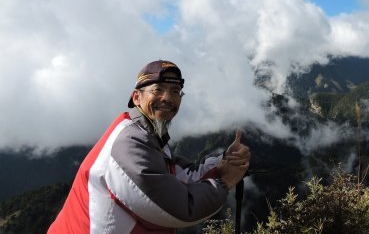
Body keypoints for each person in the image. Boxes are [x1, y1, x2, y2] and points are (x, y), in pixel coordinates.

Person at [48, 60, 250, 234]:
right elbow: (181, 209)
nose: (167, 98)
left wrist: (224, 161)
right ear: (137, 97)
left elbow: (184, 175)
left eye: (175, 91)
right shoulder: (129, 144)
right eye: (157, 90)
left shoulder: (150, 137)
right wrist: (225, 181)